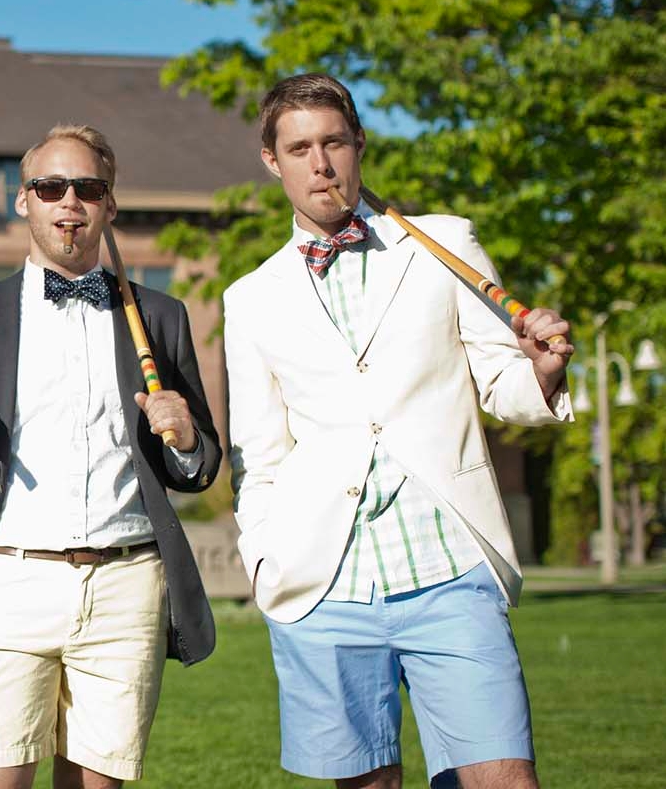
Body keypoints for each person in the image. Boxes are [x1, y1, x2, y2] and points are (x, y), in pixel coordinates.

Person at [223, 73, 574, 789]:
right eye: (299, 149)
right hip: (324, 584)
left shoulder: (443, 245)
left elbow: (500, 385)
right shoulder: (250, 298)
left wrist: (541, 372)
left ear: (359, 145)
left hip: (450, 569)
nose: (320, 164)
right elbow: (259, 453)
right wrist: (263, 559)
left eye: (333, 143)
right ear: (272, 161)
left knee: (505, 778)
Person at [0, 124, 221, 788]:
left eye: (88, 189)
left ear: (109, 205)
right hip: (2, 584)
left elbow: (199, 465)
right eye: (50, 187)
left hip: (125, 586)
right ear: (23, 200)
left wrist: (187, 440)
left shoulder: (159, 317)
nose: (69, 201)